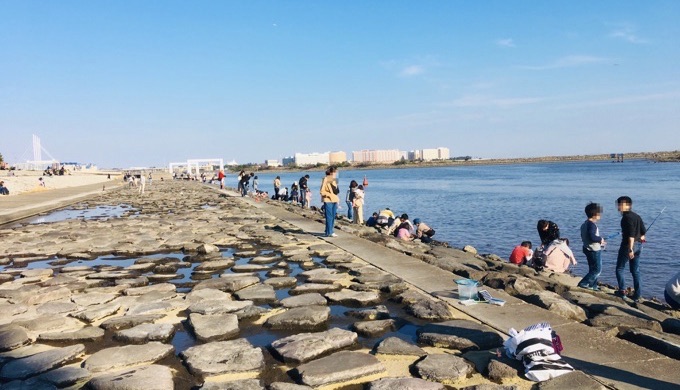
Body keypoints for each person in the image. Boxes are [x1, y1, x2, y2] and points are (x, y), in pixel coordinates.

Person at [615, 196, 646, 301]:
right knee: (635, 271)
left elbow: (631, 235)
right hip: (639, 246)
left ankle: (622, 291)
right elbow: (643, 231)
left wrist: (630, 249)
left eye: (621, 204)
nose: (619, 206)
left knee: (619, 269)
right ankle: (637, 295)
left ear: (628, 205)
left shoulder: (626, 218)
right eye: (618, 204)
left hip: (628, 246)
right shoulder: (636, 216)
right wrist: (641, 237)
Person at [578, 203, 606, 291]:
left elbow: (585, 236)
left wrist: (599, 241)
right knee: (597, 270)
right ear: (595, 215)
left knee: (592, 268)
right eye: (599, 214)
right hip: (593, 250)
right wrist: (600, 239)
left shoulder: (585, 224)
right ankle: (584, 283)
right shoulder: (592, 225)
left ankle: (593, 285)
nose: (600, 216)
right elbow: (592, 237)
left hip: (587, 248)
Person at [320, 166, 340, 237]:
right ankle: (330, 232)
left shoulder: (335, 180)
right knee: (329, 216)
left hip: (335, 200)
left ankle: (328, 230)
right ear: (331, 172)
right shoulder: (325, 179)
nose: (336, 173)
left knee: (333, 216)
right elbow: (322, 191)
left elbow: (336, 191)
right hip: (328, 200)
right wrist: (329, 195)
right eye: (335, 172)